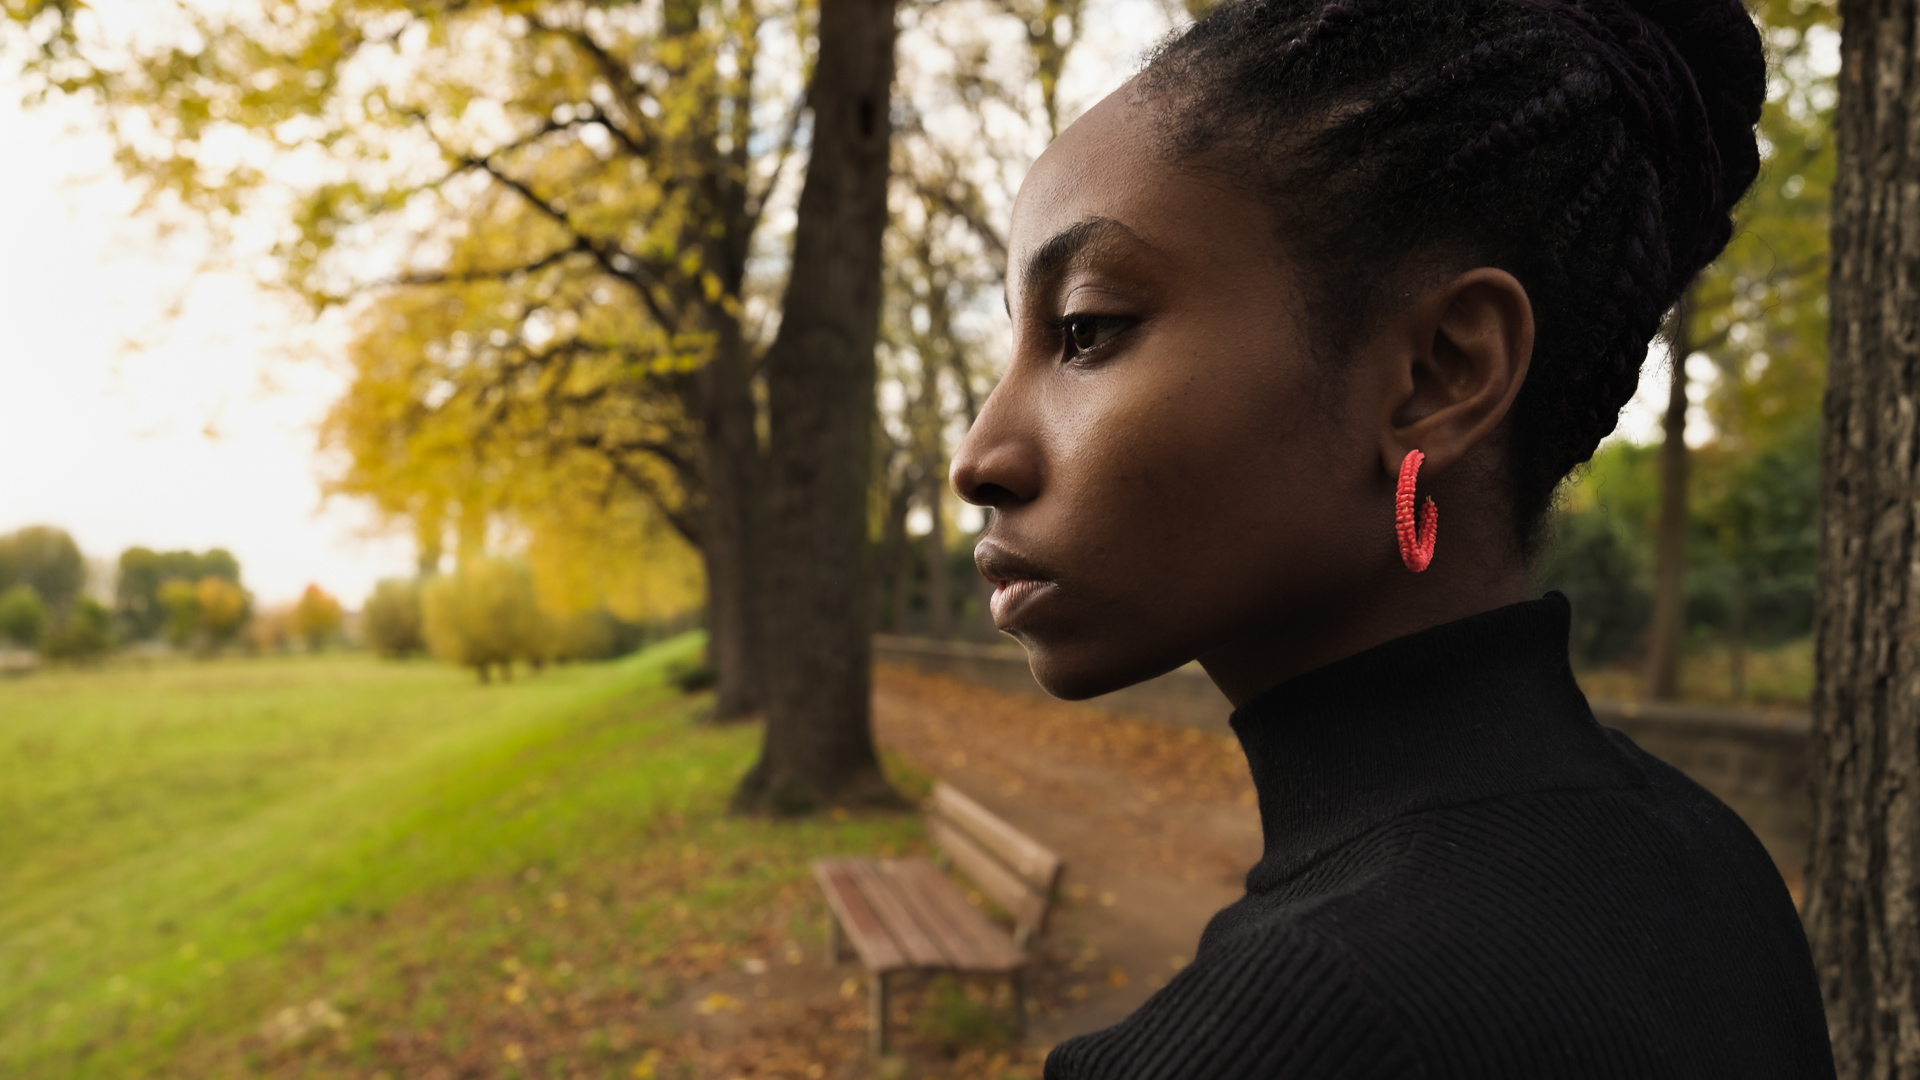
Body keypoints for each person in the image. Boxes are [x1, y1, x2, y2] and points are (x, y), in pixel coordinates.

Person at [947, 0, 1836, 1075]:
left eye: (1086, 330)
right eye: (1019, 340)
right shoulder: (1715, 865)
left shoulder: (1295, 1030)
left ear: (1438, 375)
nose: (980, 455)